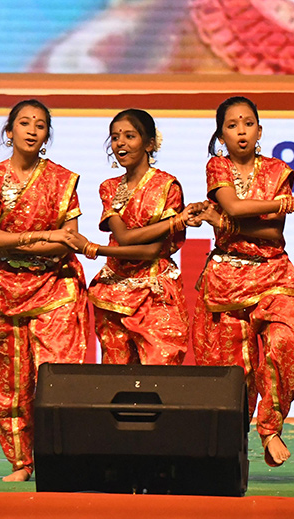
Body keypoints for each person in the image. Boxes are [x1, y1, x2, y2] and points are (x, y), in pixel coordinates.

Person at [191, 96, 294, 468]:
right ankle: (227, 458)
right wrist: (292, 203)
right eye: (232, 125)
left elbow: (271, 231)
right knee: (233, 377)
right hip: (225, 280)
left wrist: (219, 222)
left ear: (259, 130)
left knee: (289, 344)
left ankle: (270, 427)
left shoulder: (278, 170)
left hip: (272, 273)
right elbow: (236, 206)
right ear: (221, 134)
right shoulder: (217, 167)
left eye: (248, 123)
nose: (241, 131)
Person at [0, 99, 88, 482]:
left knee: (55, 377)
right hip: (1, 290)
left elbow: (66, 241)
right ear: (10, 132)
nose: (33, 129)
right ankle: (22, 462)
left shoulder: (62, 179)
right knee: (9, 382)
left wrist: (26, 241)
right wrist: (42, 234)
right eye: (25, 123)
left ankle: (61, 460)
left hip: (54, 289)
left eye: (41, 124)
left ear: (46, 136)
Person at [85, 109, 201, 366]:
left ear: (149, 143)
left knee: (158, 378)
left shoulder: (167, 186)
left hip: (155, 294)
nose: (120, 143)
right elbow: (124, 236)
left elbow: (151, 251)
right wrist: (176, 221)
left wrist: (94, 249)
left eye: (129, 136)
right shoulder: (109, 188)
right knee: (116, 382)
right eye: (115, 137)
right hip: (112, 294)